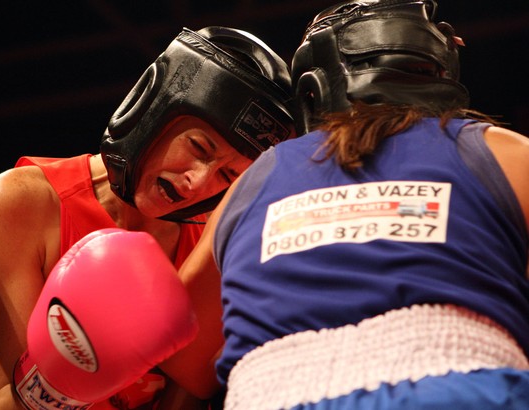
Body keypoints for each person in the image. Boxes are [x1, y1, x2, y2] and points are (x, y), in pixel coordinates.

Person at [177, 1, 529, 408]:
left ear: (311, 87)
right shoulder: (501, 151)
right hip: (459, 386)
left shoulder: (251, 183)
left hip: (273, 394)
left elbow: (184, 356)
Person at [0, 26, 295, 410]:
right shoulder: (22, 205)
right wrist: (67, 371)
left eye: (227, 175)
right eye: (198, 147)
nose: (198, 180)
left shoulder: (214, 249)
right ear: (154, 109)